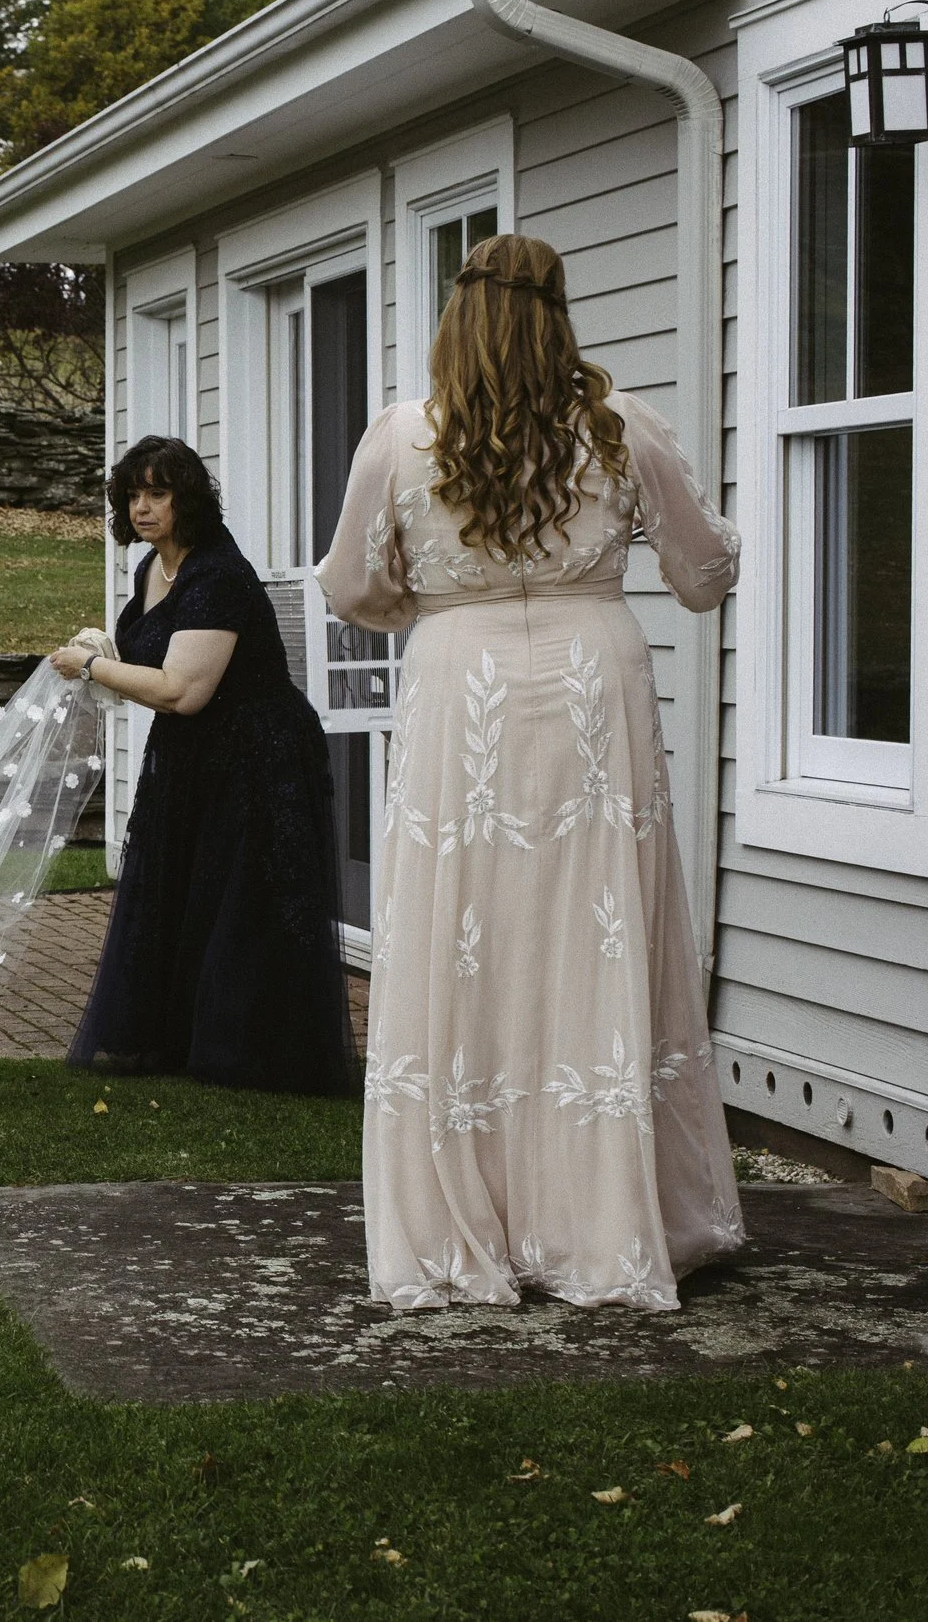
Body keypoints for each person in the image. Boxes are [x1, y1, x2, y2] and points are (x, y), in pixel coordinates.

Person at [318, 233, 744, 1311]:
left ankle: (471, 1219)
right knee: (590, 923)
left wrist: (435, 604)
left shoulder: (404, 436)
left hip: (458, 681)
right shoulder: (622, 426)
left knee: (466, 934)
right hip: (592, 678)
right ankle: (597, 1219)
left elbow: (349, 584)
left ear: (455, 318)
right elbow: (703, 574)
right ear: (558, 317)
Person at [47, 437, 356, 1097]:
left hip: (256, 753)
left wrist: (92, 666)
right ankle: (177, 1037)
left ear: (188, 499)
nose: (143, 506)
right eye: (133, 494)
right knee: (183, 894)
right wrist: (102, 646)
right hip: (190, 753)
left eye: (158, 493)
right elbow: (156, 663)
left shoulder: (218, 574)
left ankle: (248, 1051)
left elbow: (184, 689)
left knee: (241, 905)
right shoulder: (151, 572)